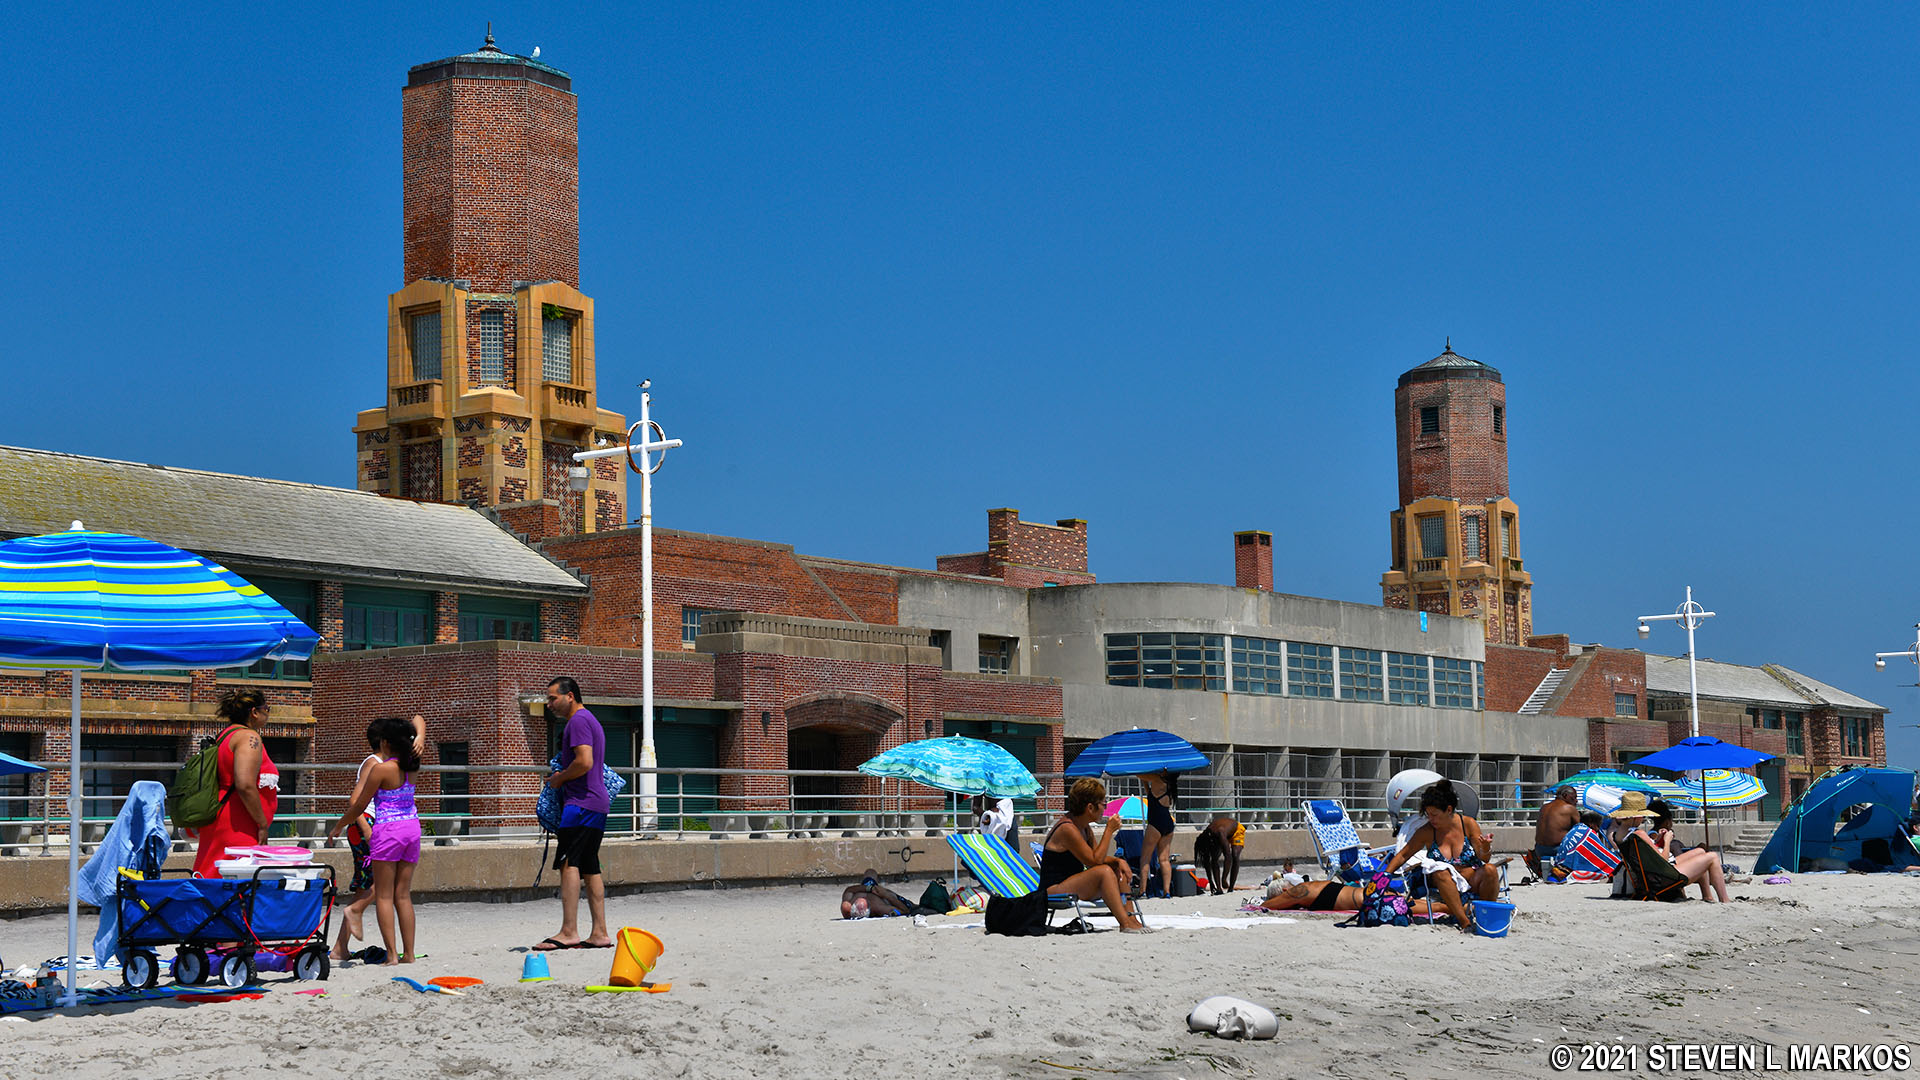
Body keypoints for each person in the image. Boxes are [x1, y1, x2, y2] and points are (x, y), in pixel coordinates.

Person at [327, 717, 423, 964]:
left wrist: (339, 825)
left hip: (388, 830)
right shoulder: (413, 765)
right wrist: (419, 737)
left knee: (383, 895)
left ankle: (392, 955)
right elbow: (419, 720)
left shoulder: (381, 769)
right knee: (403, 895)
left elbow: (359, 804)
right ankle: (409, 954)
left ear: (385, 742)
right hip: (411, 828)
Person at [534, 676, 613, 951]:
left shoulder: (578, 721)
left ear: (570, 696)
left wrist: (559, 779)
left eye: (553, 698)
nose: (549, 704)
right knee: (590, 866)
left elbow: (584, 762)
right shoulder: (590, 719)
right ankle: (600, 932)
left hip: (581, 803)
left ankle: (569, 931)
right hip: (595, 803)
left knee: (568, 864)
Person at [1383, 779, 1498, 933]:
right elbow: (1403, 855)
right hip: (1442, 883)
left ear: (1449, 810)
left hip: (1471, 878)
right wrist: (1384, 876)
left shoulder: (1468, 825)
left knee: (1490, 869)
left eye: (1435, 815)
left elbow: (1484, 859)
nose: (1431, 819)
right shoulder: (1428, 831)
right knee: (1440, 871)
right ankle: (1465, 923)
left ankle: (1487, 918)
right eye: (1428, 814)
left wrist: (1485, 847)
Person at [189, 689, 281, 879]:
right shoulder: (249, 738)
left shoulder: (225, 736)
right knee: (236, 877)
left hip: (222, 814)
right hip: (238, 821)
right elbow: (245, 784)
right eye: (267, 708)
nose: (268, 713)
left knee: (213, 873)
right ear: (254, 712)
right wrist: (262, 823)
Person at [1040, 778, 1150, 932]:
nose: (1105, 808)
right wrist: (1109, 830)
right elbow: (1094, 861)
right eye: (1103, 804)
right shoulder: (1068, 829)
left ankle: (1132, 919)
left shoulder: (1083, 827)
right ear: (1090, 807)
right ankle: (1124, 923)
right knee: (1104, 872)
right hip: (1053, 889)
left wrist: (1118, 861)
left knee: (1118, 868)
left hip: (1072, 883)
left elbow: (1098, 856)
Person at [1646, 799, 1731, 902]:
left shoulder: (1650, 834)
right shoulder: (1653, 835)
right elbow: (1662, 859)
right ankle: (1724, 899)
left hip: (1662, 870)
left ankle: (1708, 896)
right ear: (1668, 822)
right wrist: (1667, 841)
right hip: (1665, 874)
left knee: (1700, 852)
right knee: (1712, 856)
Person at [1138, 771, 1179, 899]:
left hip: (1156, 822)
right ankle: (1167, 892)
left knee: (1145, 858)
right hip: (1168, 822)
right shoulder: (1171, 785)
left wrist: (1149, 767)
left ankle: (1142, 891)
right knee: (1164, 859)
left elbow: (1139, 774)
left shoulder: (1157, 779)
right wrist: (1145, 783)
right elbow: (1151, 794)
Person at [840, 869, 919, 919]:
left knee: (870, 872)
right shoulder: (879, 908)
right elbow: (904, 910)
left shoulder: (849, 902)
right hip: (885, 897)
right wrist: (885, 895)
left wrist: (869, 888)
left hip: (870, 889)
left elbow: (849, 890)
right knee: (912, 906)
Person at [1533, 786, 1580, 866]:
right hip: (1556, 849)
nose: (1576, 800)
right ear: (1565, 795)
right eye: (1574, 797)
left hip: (1539, 848)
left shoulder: (1544, 807)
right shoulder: (1569, 808)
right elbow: (1580, 829)